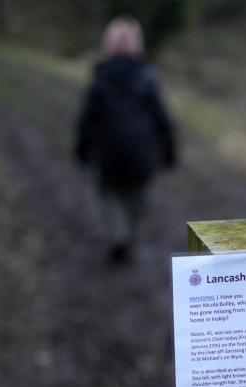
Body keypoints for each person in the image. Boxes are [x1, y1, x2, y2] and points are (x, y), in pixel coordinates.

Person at [74, 17, 177, 263]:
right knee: (138, 195)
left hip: (108, 151)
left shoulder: (100, 77)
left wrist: (82, 148)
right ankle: (129, 232)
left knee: (108, 193)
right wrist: (169, 150)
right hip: (141, 152)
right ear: (137, 44)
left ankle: (118, 232)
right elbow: (162, 119)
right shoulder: (147, 77)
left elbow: (87, 119)